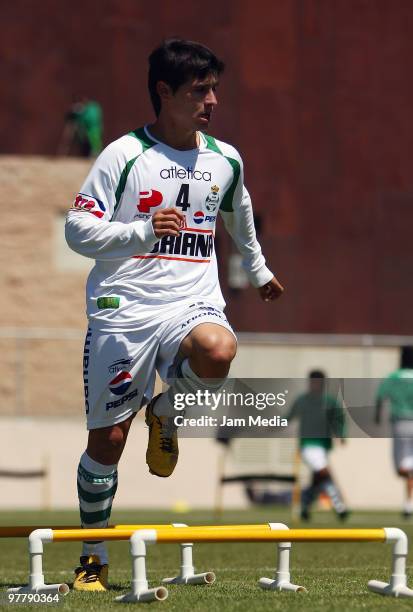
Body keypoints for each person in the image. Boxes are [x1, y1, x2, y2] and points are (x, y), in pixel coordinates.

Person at [65, 38, 284, 591]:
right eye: (199, 91)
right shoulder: (123, 155)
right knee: (108, 444)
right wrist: (140, 230)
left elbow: (240, 211)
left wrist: (258, 271)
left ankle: (164, 410)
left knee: (218, 350)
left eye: (214, 89)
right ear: (164, 92)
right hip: (124, 310)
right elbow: (77, 230)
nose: (211, 101)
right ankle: (93, 557)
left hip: (192, 302)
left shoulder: (225, 158)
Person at [287, 370, 349, 521]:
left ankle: (305, 508)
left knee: (318, 480)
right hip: (308, 445)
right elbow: (288, 417)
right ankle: (339, 507)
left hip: (323, 446)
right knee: (324, 473)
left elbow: (339, 420)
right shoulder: (302, 400)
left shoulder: (329, 401)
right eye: (312, 382)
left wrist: (341, 434)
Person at [376, 346, 413, 518]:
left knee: (401, 468)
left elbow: (380, 396)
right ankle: (408, 504)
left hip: (401, 424)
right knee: (408, 467)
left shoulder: (393, 377)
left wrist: (377, 415)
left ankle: (408, 505)